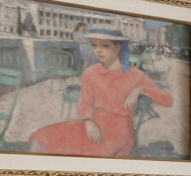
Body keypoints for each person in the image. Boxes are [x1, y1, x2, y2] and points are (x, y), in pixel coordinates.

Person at [29, 29, 173, 158]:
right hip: (93, 125)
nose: (98, 50)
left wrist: (141, 89)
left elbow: (168, 100)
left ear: (118, 47)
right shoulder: (90, 73)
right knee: (40, 137)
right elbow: (85, 103)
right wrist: (88, 122)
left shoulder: (135, 75)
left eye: (105, 45)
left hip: (119, 131)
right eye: (94, 45)